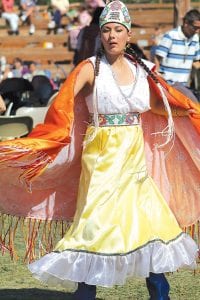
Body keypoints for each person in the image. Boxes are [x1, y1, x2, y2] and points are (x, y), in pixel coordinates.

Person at [0, 1, 199, 300]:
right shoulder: (90, 69)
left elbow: (155, 105)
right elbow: (64, 103)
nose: (112, 36)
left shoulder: (140, 70)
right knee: (94, 228)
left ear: (128, 35)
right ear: (100, 35)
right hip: (102, 163)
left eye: (118, 30)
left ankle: (161, 295)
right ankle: (86, 292)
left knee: (151, 223)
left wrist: (188, 111)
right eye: (106, 30)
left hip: (134, 164)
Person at [155, 9, 200, 101]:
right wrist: (157, 77)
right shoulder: (171, 36)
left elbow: (196, 62)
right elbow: (157, 57)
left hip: (184, 86)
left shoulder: (195, 39)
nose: (197, 31)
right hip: (168, 84)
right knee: (195, 105)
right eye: (195, 27)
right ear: (186, 23)